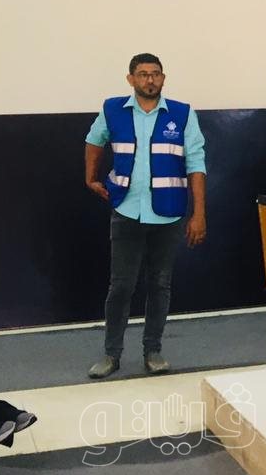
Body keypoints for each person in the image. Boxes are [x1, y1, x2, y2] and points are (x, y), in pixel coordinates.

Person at [84, 53, 207, 379]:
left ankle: (153, 351)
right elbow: (94, 140)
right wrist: (90, 177)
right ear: (131, 79)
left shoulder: (182, 114)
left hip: (168, 214)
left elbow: (196, 164)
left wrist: (199, 214)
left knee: (160, 285)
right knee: (121, 287)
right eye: (142, 74)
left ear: (163, 78)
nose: (149, 80)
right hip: (126, 210)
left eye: (155, 74)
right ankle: (112, 355)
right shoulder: (113, 109)